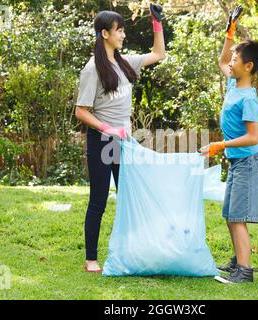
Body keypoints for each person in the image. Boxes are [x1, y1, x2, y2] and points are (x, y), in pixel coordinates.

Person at [75, 5, 165, 273]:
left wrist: (157, 23)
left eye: (123, 30)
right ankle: (91, 258)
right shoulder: (93, 69)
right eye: (119, 30)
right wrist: (107, 128)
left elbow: (159, 54)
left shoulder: (124, 63)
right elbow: (81, 110)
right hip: (102, 142)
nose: (123, 35)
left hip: (124, 143)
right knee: (99, 201)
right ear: (104, 33)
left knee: (130, 197)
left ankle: (133, 252)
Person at [200, 5, 258, 283]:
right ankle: (238, 260)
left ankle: (245, 272)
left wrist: (219, 146)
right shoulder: (233, 85)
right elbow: (222, 60)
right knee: (230, 214)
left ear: (248, 66)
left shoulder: (248, 97)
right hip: (239, 161)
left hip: (249, 160)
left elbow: (253, 137)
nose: (231, 62)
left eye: (237, 59)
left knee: (237, 217)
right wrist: (230, 31)